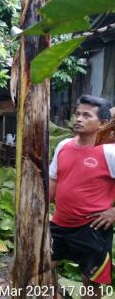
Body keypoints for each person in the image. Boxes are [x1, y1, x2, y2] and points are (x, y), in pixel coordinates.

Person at [49, 95, 115, 295]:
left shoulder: (110, 153)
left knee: (91, 282)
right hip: (59, 223)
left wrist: (113, 211)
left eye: (87, 115)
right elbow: (53, 180)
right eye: (77, 114)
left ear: (103, 123)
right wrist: (38, 211)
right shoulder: (64, 146)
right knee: (41, 267)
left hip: (92, 228)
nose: (79, 118)